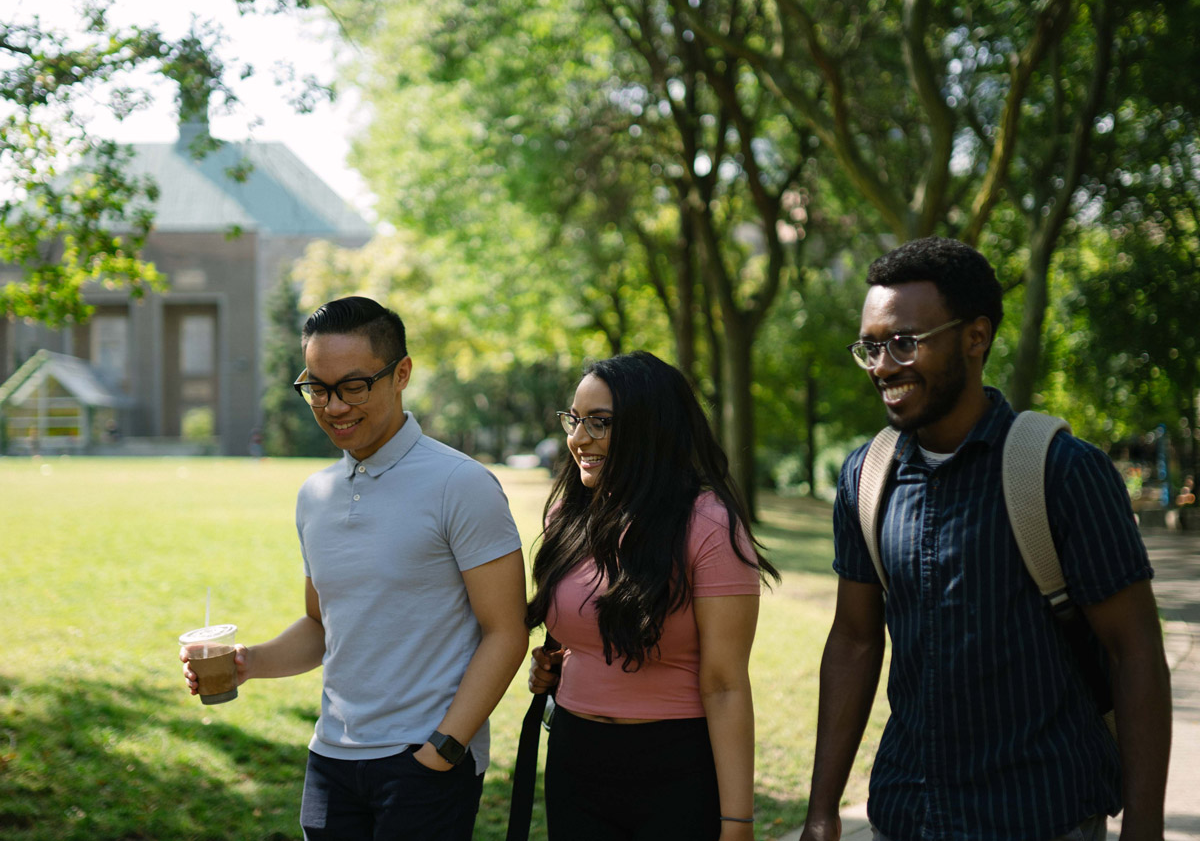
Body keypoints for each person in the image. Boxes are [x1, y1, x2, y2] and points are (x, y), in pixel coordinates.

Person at [799, 237, 1172, 841]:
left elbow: (1136, 652)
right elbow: (854, 642)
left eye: (904, 342)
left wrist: (1145, 828)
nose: (883, 366)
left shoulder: (1062, 470)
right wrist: (820, 811)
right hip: (907, 815)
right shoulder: (865, 479)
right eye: (870, 347)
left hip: (1042, 815)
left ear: (976, 337)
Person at [181, 296, 528, 840]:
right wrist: (247, 663)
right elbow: (323, 627)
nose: (333, 406)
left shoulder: (460, 484)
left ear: (401, 374)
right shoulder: (313, 495)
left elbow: (506, 631)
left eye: (353, 386)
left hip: (424, 762)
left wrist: (446, 748)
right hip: (330, 760)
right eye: (317, 387)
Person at [526, 351, 779, 841]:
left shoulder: (708, 525)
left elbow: (726, 684)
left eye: (599, 423)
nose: (578, 439)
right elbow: (582, 625)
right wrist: (559, 663)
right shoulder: (568, 515)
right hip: (575, 756)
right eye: (574, 420)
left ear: (650, 427)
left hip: (675, 766)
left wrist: (737, 822)